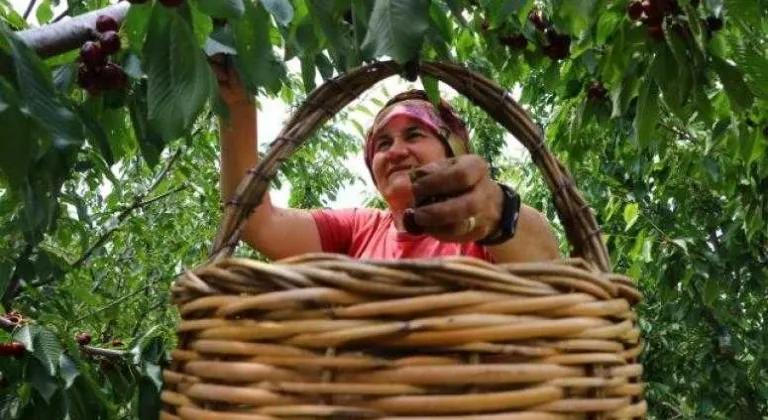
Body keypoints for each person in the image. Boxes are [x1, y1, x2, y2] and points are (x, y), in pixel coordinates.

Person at [215, 61, 560, 263]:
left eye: (414, 135)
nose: (395, 151)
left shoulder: (480, 227)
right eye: (382, 143)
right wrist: (237, 104)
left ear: (453, 152)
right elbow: (257, 222)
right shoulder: (358, 231)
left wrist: (499, 214)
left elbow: (545, 264)